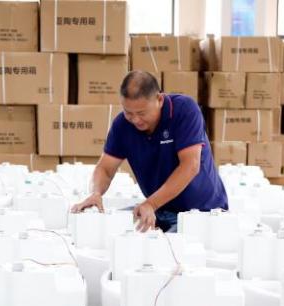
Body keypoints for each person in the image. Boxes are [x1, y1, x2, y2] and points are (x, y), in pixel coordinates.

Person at [70, 70, 228, 232]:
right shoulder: (122, 125)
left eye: (141, 113)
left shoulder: (184, 110)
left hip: (203, 213)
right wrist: (96, 193)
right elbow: (105, 168)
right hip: (160, 210)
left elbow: (190, 166)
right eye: (128, 112)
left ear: (159, 99)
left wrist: (150, 203)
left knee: (164, 252)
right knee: (110, 230)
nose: (135, 120)